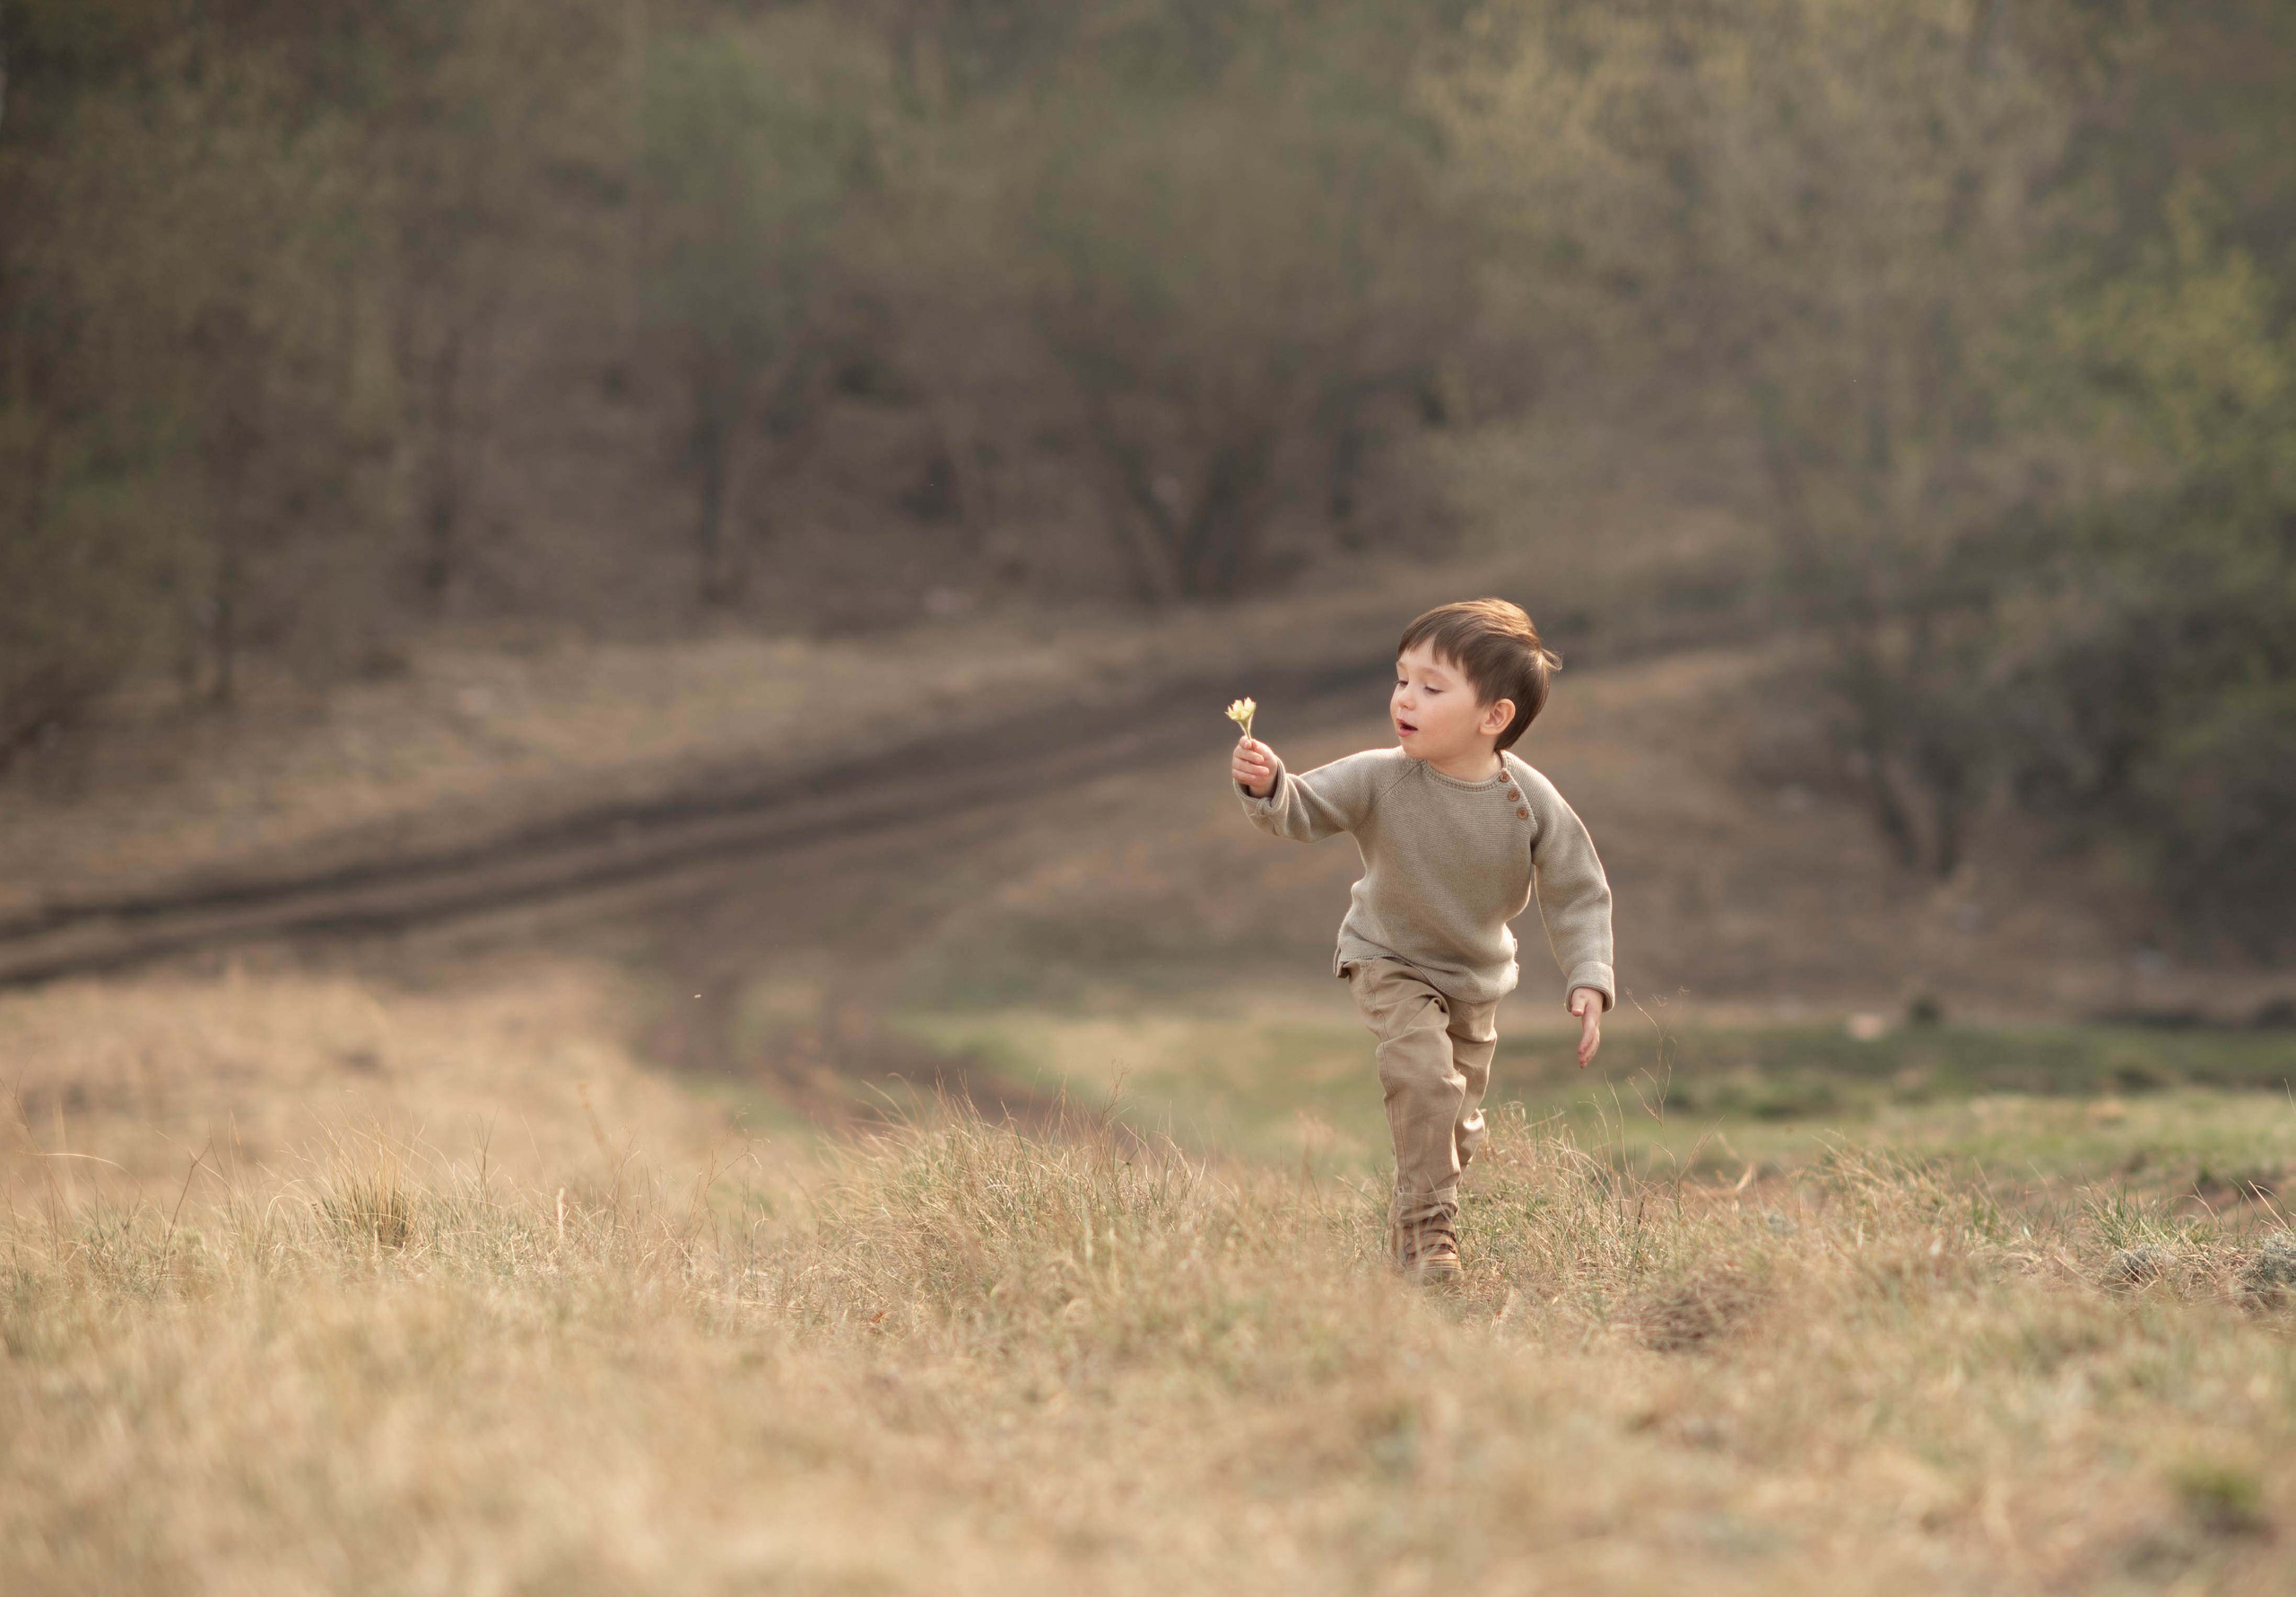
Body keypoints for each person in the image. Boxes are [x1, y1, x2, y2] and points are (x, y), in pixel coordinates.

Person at [1230, 598, 1615, 1283]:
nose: (1405, 698)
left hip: (1476, 981)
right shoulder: (1380, 774)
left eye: (1431, 687)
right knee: (1426, 1082)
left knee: (1453, 1127)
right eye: (1402, 679)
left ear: (1493, 716)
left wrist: (1588, 974)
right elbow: (1301, 808)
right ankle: (1428, 1242)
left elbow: (1577, 888)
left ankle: (1420, 1213)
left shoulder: (1529, 800)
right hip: (1388, 958)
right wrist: (1268, 787)